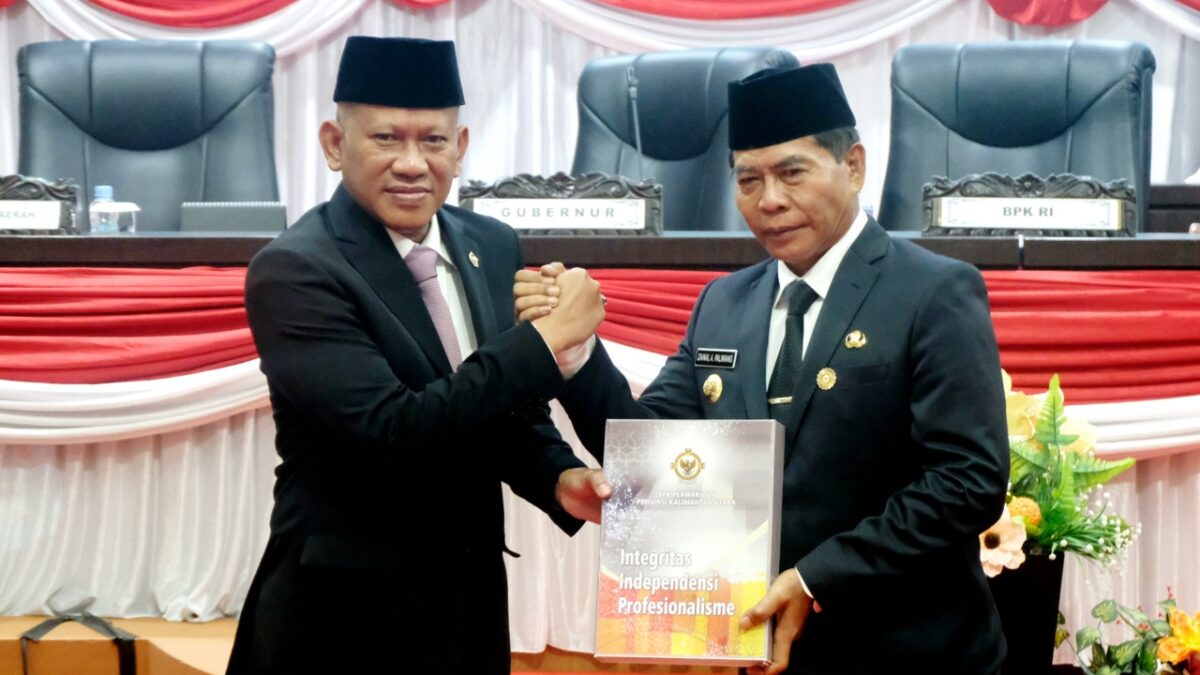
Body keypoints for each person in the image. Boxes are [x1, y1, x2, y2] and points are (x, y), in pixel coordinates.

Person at [516, 63, 1009, 675]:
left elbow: (967, 480)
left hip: (911, 652)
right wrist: (577, 351)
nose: (769, 200)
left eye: (791, 173)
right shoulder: (723, 303)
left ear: (853, 166)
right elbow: (649, 453)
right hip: (757, 653)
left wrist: (815, 577)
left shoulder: (933, 291)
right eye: (748, 179)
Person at [226, 36, 610, 675]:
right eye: (385, 138)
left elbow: (504, 408)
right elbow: (394, 429)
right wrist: (544, 341)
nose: (412, 163)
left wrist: (558, 477)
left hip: (467, 605)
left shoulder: (491, 243)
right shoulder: (295, 269)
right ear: (333, 144)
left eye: (433, 140)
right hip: (338, 617)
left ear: (460, 148)